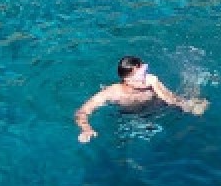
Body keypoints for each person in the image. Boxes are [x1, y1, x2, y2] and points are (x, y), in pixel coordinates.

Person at [75, 55, 209, 143]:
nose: (145, 78)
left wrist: (188, 105)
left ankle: (195, 77)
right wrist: (86, 129)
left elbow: (169, 98)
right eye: (141, 76)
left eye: (145, 71)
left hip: (159, 109)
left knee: (198, 110)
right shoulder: (112, 93)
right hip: (132, 117)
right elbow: (82, 112)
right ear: (127, 80)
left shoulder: (151, 80)